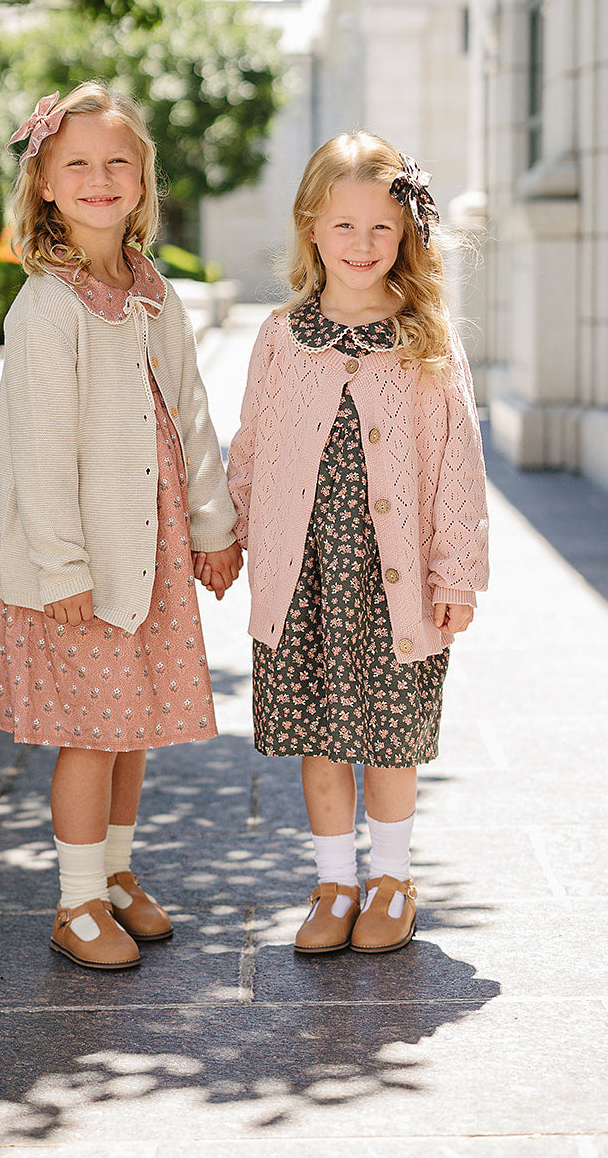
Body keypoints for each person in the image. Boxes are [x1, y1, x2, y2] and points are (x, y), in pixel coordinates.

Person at [0, 82, 242, 972]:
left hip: (151, 549)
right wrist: (61, 569)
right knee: (91, 732)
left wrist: (212, 524)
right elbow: (39, 458)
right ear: (45, 181)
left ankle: (116, 874)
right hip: (82, 567)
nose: (100, 177)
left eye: (117, 162)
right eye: (77, 163)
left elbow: (191, 416)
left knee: (131, 726)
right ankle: (76, 900)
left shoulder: (153, 294)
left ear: (142, 180)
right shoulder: (47, 310)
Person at [219, 131, 488, 956]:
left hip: (390, 584)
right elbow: (253, 444)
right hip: (304, 578)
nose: (362, 245)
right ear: (310, 228)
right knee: (320, 730)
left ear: (406, 233)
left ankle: (391, 880)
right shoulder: (281, 337)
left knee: (389, 733)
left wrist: (456, 572)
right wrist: (224, 533)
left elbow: (456, 465)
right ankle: (333, 881)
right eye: (343, 227)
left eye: (381, 228)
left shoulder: (425, 341)